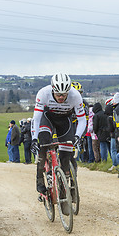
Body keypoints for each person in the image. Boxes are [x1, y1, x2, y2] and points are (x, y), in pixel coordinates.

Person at [31, 73, 86, 211]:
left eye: (64, 94)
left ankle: (63, 191)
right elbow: (36, 119)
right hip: (47, 119)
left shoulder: (75, 96)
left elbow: (82, 120)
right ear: (53, 89)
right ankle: (40, 181)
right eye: (58, 94)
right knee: (43, 145)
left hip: (64, 122)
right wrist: (33, 139)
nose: (61, 97)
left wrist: (78, 136)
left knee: (66, 156)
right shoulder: (43, 93)